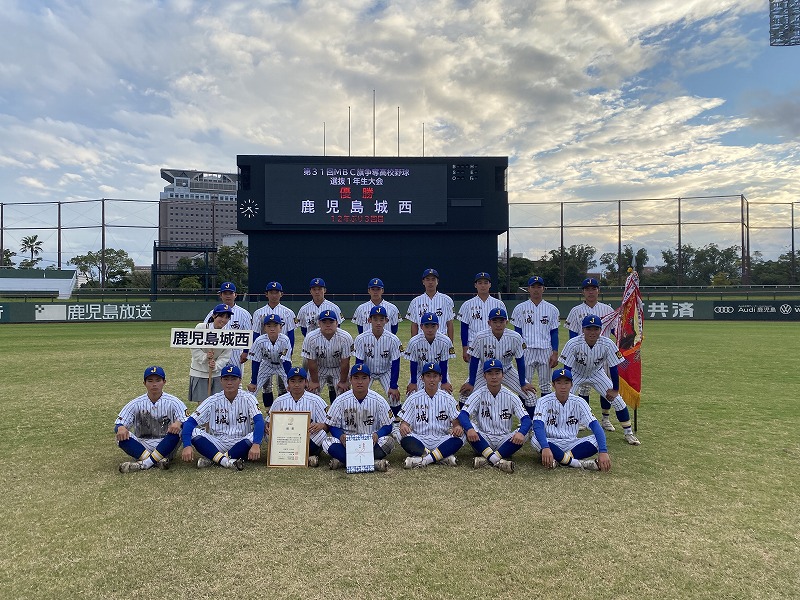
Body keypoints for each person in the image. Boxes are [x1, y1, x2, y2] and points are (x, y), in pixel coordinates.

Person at [559, 315, 641, 445]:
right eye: (589, 329)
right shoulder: (573, 343)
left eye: (596, 329)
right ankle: (559, 430)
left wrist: (615, 389)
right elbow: (567, 368)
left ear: (600, 330)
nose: (592, 332)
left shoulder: (607, 343)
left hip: (597, 373)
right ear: (583, 330)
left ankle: (628, 433)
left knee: (618, 400)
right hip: (575, 374)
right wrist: (566, 386)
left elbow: (613, 368)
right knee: (563, 400)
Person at [181, 364, 264, 470]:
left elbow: (259, 421)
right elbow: (190, 422)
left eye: (233, 379)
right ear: (221, 380)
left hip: (241, 441)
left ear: (240, 380)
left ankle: (214, 459)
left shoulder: (249, 398)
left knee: (256, 433)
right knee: (192, 431)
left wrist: (256, 444)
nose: (229, 382)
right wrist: (187, 445)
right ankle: (226, 461)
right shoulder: (212, 400)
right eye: (226, 379)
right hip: (217, 442)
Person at [458, 359, 533, 473]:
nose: (494, 377)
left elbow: (526, 419)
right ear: (484, 376)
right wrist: (469, 429)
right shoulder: (478, 394)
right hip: (483, 438)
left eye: (497, 373)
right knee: (466, 427)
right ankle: (497, 461)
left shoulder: (511, 396)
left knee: (525, 433)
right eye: (490, 373)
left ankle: (487, 459)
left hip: (505, 439)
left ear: (502, 375)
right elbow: (463, 414)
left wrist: (521, 433)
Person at [531, 368, 611, 471]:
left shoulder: (579, 402)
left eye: (566, 382)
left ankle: (560, 459)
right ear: (553, 385)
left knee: (597, 439)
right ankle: (578, 463)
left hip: (572, 443)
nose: (563, 386)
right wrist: (545, 447)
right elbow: (538, 426)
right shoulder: (543, 401)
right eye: (559, 383)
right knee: (535, 439)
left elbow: (595, 426)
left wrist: (603, 451)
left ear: (572, 385)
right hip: (551, 442)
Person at [459, 307, 537, 414]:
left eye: (501, 321)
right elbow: (474, 361)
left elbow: (520, 361)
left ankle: (529, 423)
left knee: (530, 395)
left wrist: (523, 382)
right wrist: (471, 382)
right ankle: (465, 422)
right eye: (495, 321)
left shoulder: (515, 337)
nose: (498, 324)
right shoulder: (480, 337)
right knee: (464, 395)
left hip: (507, 370)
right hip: (485, 371)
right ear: (489, 323)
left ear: (506, 322)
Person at [324, 363, 395, 472]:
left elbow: (388, 425)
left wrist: (377, 435)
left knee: (389, 442)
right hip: (347, 443)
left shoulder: (379, 400)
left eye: (364, 378)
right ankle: (374, 463)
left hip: (371, 443)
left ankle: (344, 462)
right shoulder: (340, 400)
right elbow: (332, 425)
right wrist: (341, 436)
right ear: (350, 380)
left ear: (369, 380)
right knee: (326, 442)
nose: (360, 381)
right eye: (356, 378)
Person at [116, 366, 187, 473]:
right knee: (119, 436)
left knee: (179, 430)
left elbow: (187, 421)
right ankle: (157, 461)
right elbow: (119, 423)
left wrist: (178, 423)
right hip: (142, 446)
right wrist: (120, 427)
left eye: (158, 380)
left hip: (166, 446)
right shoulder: (136, 403)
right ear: (144, 383)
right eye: (150, 381)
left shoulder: (174, 402)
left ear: (164, 382)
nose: (154, 384)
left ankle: (145, 464)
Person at [398, 362, 463, 468]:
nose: (431, 379)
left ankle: (423, 459)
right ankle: (441, 457)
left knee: (462, 435)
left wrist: (458, 428)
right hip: (419, 439)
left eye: (435, 376)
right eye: (428, 376)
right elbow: (404, 423)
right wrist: (404, 427)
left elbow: (456, 424)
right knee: (400, 434)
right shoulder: (413, 398)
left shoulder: (448, 399)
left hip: (442, 439)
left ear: (440, 378)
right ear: (422, 378)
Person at [511, 276, 560, 400]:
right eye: (533, 287)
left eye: (539, 286)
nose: (536, 289)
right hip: (527, 350)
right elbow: (517, 333)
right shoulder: (519, 308)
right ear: (528, 289)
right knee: (524, 383)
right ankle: (524, 411)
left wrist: (555, 352)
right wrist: (520, 351)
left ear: (543, 289)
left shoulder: (552, 309)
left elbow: (554, 332)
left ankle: (545, 410)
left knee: (546, 385)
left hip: (546, 350)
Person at [268, 367, 329, 467]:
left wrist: (321, 426)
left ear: (306, 382)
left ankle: (294, 456)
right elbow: (268, 421)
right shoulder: (279, 401)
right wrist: (267, 426)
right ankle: (307, 457)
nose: (296, 384)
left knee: (321, 434)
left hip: (307, 438)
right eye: (293, 381)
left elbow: (327, 425)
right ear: (288, 383)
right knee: (268, 434)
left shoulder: (316, 400)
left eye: (300, 381)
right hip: (285, 439)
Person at [251, 281, 297, 399]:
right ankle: (268, 408)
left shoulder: (288, 312)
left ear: (281, 294)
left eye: (277, 292)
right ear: (266, 294)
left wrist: (289, 352)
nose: (274, 295)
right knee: (266, 386)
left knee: (283, 385)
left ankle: (282, 407)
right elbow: (256, 334)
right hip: (265, 353)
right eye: (271, 292)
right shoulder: (258, 313)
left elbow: (291, 334)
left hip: (282, 351)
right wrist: (258, 351)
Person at [353, 305, 403, 412]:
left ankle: (395, 420)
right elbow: (359, 363)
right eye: (375, 319)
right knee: (358, 395)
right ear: (369, 320)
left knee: (394, 398)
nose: (378, 322)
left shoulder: (393, 339)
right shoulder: (361, 338)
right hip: (367, 371)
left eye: (381, 319)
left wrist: (393, 385)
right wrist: (359, 380)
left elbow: (395, 363)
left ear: (386, 321)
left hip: (386, 371)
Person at [300, 310, 352, 402]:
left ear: (337, 323)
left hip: (338, 368)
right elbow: (311, 362)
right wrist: (314, 381)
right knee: (310, 394)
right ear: (319, 323)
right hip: (319, 368)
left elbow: (345, 362)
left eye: (331, 322)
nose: (328, 325)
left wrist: (343, 381)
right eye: (324, 322)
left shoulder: (345, 337)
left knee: (344, 395)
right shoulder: (311, 337)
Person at [455, 271, 506, 363]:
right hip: (474, 344)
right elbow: (464, 328)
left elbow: (504, 326)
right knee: (475, 371)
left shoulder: (499, 304)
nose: (483, 286)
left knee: (495, 371)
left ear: (490, 285)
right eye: (480, 283)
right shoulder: (467, 304)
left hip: (495, 343)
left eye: (486, 283)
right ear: (475, 285)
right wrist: (465, 348)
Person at [188, 303, 234, 403]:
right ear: (214, 316)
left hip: (216, 373)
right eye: (221, 316)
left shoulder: (228, 334)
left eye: (227, 317)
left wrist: (216, 365)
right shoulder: (201, 327)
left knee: (218, 403)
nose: (223, 320)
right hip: (199, 371)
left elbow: (225, 356)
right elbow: (194, 347)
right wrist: (205, 356)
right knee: (202, 404)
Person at [402, 312, 456, 396]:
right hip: (420, 373)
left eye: (433, 326)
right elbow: (413, 363)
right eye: (427, 326)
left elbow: (444, 363)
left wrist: (444, 381)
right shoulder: (414, 342)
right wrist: (413, 382)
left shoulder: (445, 341)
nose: (430, 330)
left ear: (438, 326)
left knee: (447, 394)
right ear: (421, 327)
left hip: (439, 373)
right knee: (411, 394)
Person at [247, 314, 293, 408]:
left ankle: (291, 410)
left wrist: (289, 381)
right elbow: (256, 362)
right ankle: (248, 411)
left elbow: (286, 362)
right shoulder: (259, 341)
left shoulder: (285, 340)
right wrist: (253, 381)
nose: (272, 329)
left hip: (281, 365)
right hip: (266, 365)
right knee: (252, 391)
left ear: (280, 327)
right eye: (269, 326)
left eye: (275, 326)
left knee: (292, 388)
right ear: (264, 328)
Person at [202, 281, 253, 365]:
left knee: (235, 373)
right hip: (216, 350)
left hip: (235, 352)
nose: (228, 296)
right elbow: (204, 330)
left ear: (235, 295)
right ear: (220, 295)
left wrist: (246, 352)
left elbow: (249, 334)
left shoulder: (244, 313)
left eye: (230, 293)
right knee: (216, 372)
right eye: (225, 293)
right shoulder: (213, 313)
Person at [406, 268, 455, 342]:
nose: (430, 282)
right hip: (421, 341)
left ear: (437, 281)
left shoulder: (447, 300)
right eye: (427, 279)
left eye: (433, 279)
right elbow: (414, 325)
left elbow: (450, 324)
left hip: (442, 341)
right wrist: (414, 343)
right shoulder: (415, 301)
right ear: (423, 282)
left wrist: (450, 344)